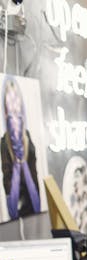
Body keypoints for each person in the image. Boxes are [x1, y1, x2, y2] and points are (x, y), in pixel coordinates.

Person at [1, 75, 41, 220]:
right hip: (17, 207)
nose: (14, 107)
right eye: (10, 102)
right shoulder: (5, 143)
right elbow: (7, 183)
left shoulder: (28, 139)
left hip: (32, 206)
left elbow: (34, 175)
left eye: (16, 101)